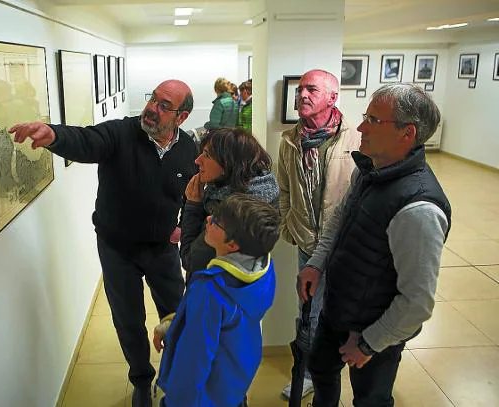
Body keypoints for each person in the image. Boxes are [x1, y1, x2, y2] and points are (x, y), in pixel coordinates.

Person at [8, 80, 198, 407]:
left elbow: (196, 193)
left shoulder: (188, 149)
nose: (153, 108)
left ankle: (177, 375)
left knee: (177, 313)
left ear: (180, 118)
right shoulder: (121, 134)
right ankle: (141, 381)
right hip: (117, 249)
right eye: (153, 99)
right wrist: (54, 135)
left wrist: (183, 225)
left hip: (161, 249)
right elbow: (87, 140)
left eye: (164, 105)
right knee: (128, 319)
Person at [298, 83, 451, 407]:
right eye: (366, 116)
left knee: (371, 399)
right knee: (321, 369)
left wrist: (368, 344)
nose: (362, 127)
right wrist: (316, 263)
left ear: (406, 133)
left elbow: (417, 303)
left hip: (375, 331)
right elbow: (340, 219)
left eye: (374, 121)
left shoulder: (419, 208)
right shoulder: (370, 170)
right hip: (337, 310)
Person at [276, 69, 360, 400]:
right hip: (308, 245)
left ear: (332, 97)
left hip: (346, 246)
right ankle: (310, 372)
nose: (302, 95)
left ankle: (345, 367)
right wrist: (287, 222)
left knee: (345, 309)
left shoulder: (354, 138)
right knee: (308, 310)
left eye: (311, 89)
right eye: (300, 90)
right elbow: (283, 188)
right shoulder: (290, 140)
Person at [153, 193, 280, 407]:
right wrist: (173, 325)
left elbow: (193, 358)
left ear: (232, 245)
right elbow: (224, 324)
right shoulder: (263, 268)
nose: (208, 220)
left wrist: (177, 402)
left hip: (204, 394)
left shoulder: (210, 289)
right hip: (234, 380)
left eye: (216, 222)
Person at [179, 127, 279, 282]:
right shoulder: (262, 189)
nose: (198, 160)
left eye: (207, 155)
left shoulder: (235, 213)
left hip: (213, 296)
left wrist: (193, 205)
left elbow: (191, 260)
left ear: (229, 164)